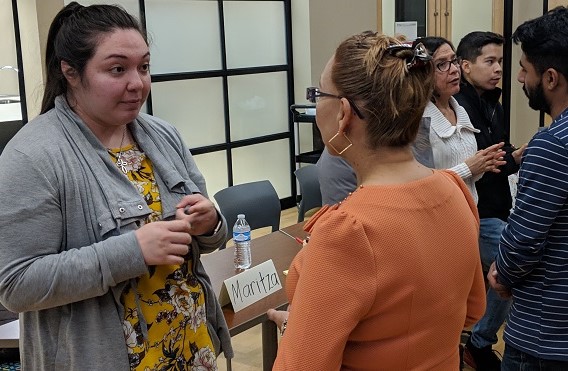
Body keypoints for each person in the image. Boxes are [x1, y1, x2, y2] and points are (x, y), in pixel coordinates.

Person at [0, 3, 233, 370]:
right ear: (70, 71)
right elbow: (17, 284)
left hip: (189, 345)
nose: (137, 83)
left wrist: (210, 224)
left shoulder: (163, 136)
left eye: (143, 67)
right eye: (117, 69)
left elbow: (204, 239)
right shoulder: (34, 156)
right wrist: (130, 251)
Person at [267, 31, 486, 370]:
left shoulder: (349, 230)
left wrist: (297, 328)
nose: (315, 102)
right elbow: (472, 311)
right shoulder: (454, 191)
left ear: (344, 113)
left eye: (318, 94)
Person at [488, 6, 568, 370]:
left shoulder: (552, 144)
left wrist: (501, 274)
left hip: (543, 337)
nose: (518, 77)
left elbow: (523, 240)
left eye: (524, 68)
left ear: (550, 78)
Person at [454, 31, 526, 370]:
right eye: (490, 61)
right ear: (466, 66)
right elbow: (490, 164)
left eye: (501, 62)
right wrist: (526, 152)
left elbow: (501, 157)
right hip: (477, 213)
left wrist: (520, 153)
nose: (499, 69)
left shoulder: (490, 102)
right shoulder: (462, 108)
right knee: (516, 267)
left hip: (498, 207)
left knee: (514, 265)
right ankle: (482, 342)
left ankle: (479, 341)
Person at [413, 37, 506, 204]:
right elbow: (420, 186)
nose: (455, 70)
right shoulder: (419, 119)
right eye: (442, 64)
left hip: (469, 212)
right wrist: (468, 168)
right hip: (440, 217)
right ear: (423, 73)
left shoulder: (459, 109)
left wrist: (483, 163)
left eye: (454, 61)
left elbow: (469, 179)